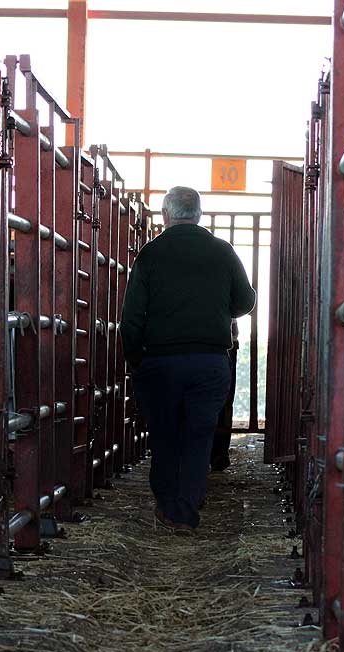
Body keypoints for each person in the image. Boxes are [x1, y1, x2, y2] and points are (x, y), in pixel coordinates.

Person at [120, 186, 256, 532]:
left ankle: (168, 505)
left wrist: (135, 359)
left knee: (164, 435)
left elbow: (132, 316)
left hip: (160, 363)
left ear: (166, 216)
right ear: (198, 215)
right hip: (209, 361)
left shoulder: (150, 254)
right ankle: (186, 508)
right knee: (199, 436)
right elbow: (245, 301)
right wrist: (219, 309)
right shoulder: (222, 252)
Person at [209, 320, 240, 472]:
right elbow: (244, 302)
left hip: (182, 345)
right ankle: (218, 453)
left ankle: (188, 454)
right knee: (223, 400)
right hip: (221, 344)